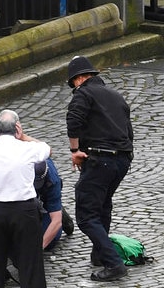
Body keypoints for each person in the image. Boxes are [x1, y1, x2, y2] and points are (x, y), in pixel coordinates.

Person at [66, 55, 133, 282]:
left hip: (99, 159)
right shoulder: (116, 96)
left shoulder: (83, 94)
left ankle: (114, 264)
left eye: (73, 82)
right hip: (121, 160)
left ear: (79, 78)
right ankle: (100, 253)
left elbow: (73, 121)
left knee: (86, 215)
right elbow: (129, 131)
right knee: (103, 205)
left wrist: (75, 151)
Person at [0, 109, 51, 288]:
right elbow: (47, 149)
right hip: (24, 210)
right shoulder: (28, 148)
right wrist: (23, 137)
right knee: (31, 262)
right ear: (17, 128)